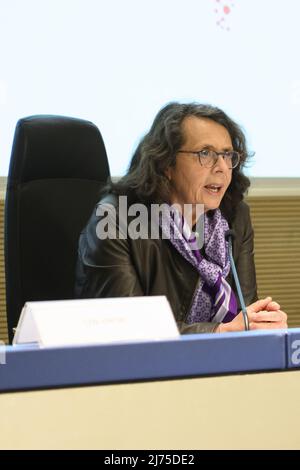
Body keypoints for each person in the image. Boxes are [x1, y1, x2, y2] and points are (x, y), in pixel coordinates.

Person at [74, 102, 287, 333]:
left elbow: (245, 311)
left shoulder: (234, 216)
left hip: (222, 362)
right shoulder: (116, 220)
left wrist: (262, 324)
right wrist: (217, 332)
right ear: (166, 163)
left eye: (227, 155)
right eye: (205, 153)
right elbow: (124, 329)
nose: (222, 167)